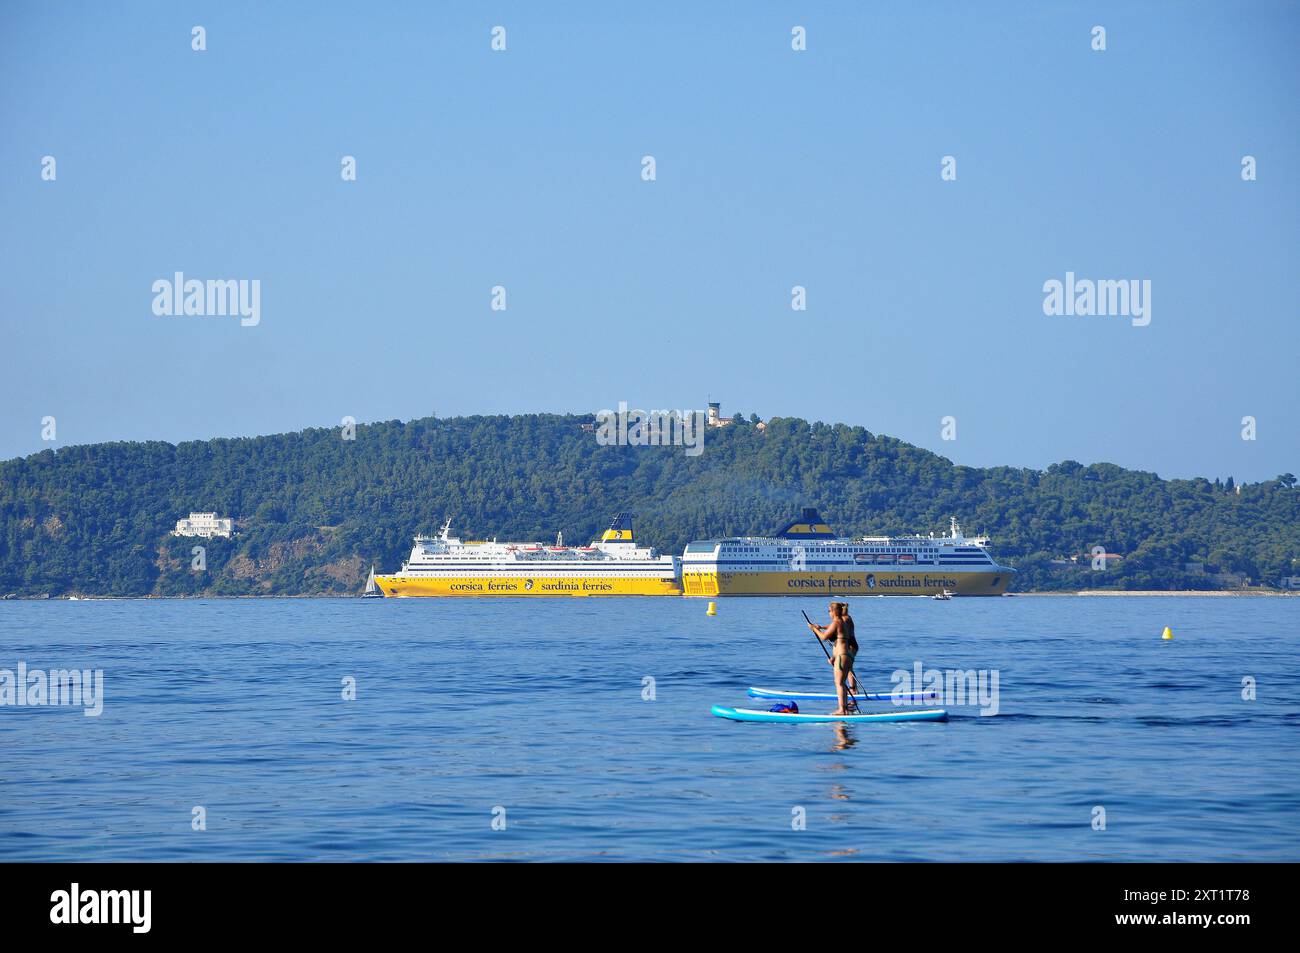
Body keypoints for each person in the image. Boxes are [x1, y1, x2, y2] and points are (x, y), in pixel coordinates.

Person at [808, 601, 860, 714]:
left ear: (833, 611)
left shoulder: (837, 622)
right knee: (842, 683)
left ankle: (842, 709)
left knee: (839, 683)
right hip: (846, 656)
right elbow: (838, 642)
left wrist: (814, 629)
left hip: (842, 656)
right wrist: (833, 657)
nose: (829, 613)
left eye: (829, 611)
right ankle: (845, 709)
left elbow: (824, 637)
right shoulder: (843, 622)